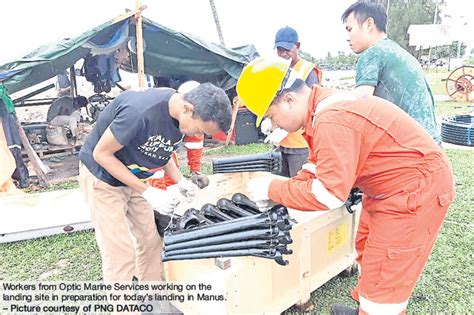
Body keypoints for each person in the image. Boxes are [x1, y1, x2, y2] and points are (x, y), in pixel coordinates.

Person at [236, 57, 455, 314]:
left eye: (271, 117)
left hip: (415, 190)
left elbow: (329, 194)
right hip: (388, 187)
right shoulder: (322, 109)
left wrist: (272, 189)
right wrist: (282, 192)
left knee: (385, 279)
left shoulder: (331, 119)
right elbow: (316, 168)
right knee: (367, 249)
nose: (274, 126)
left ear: (288, 100)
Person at [78, 83, 231, 282]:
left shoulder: (180, 117)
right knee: (120, 253)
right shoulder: (139, 112)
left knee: (151, 241)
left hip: (135, 176)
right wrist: (148, 192)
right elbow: (102, 154)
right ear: (188, 109)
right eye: (200, 130)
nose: (198, 136)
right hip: (103, 177)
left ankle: (154, 298)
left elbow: (162, 147)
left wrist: (180, 181)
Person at [342, 1, 439, 143]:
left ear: (369, 24)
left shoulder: (372, 54)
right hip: (430, 142)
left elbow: (360, 105)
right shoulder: (395, 51)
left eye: (350, 29)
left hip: (411, 148)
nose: (347, 37)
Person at [269, 26, 323, 177]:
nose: (283, 53)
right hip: (282, 142)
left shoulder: (308, 70)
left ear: (297, 46)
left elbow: (311, 107)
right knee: (282, 183)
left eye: (286, 49)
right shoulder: (279, 70)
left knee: (299, 184)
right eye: (279, 50)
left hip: (300, 142)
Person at [149, 81, 209, 190]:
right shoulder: (159, 117)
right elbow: (152, 158)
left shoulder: (192, 118)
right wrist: (157, 191)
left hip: (164, 152)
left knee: (171, 179)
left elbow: (195, 144)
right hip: (138, 163)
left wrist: (195, 171)